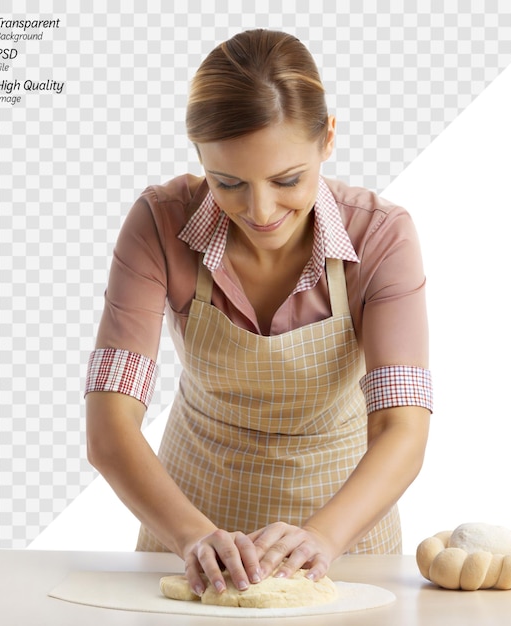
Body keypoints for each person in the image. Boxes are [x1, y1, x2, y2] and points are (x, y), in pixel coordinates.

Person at [85, 28, 432, 598]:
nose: (262, 210)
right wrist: (194, 537)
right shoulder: (158, 224)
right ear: (200, 156)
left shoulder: (382, 236)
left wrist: (324, 536)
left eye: (287, 179)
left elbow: (402, 427)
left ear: (328, 139)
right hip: (187, 521)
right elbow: (109, 426)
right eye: (229, 183)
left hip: (344, 529)